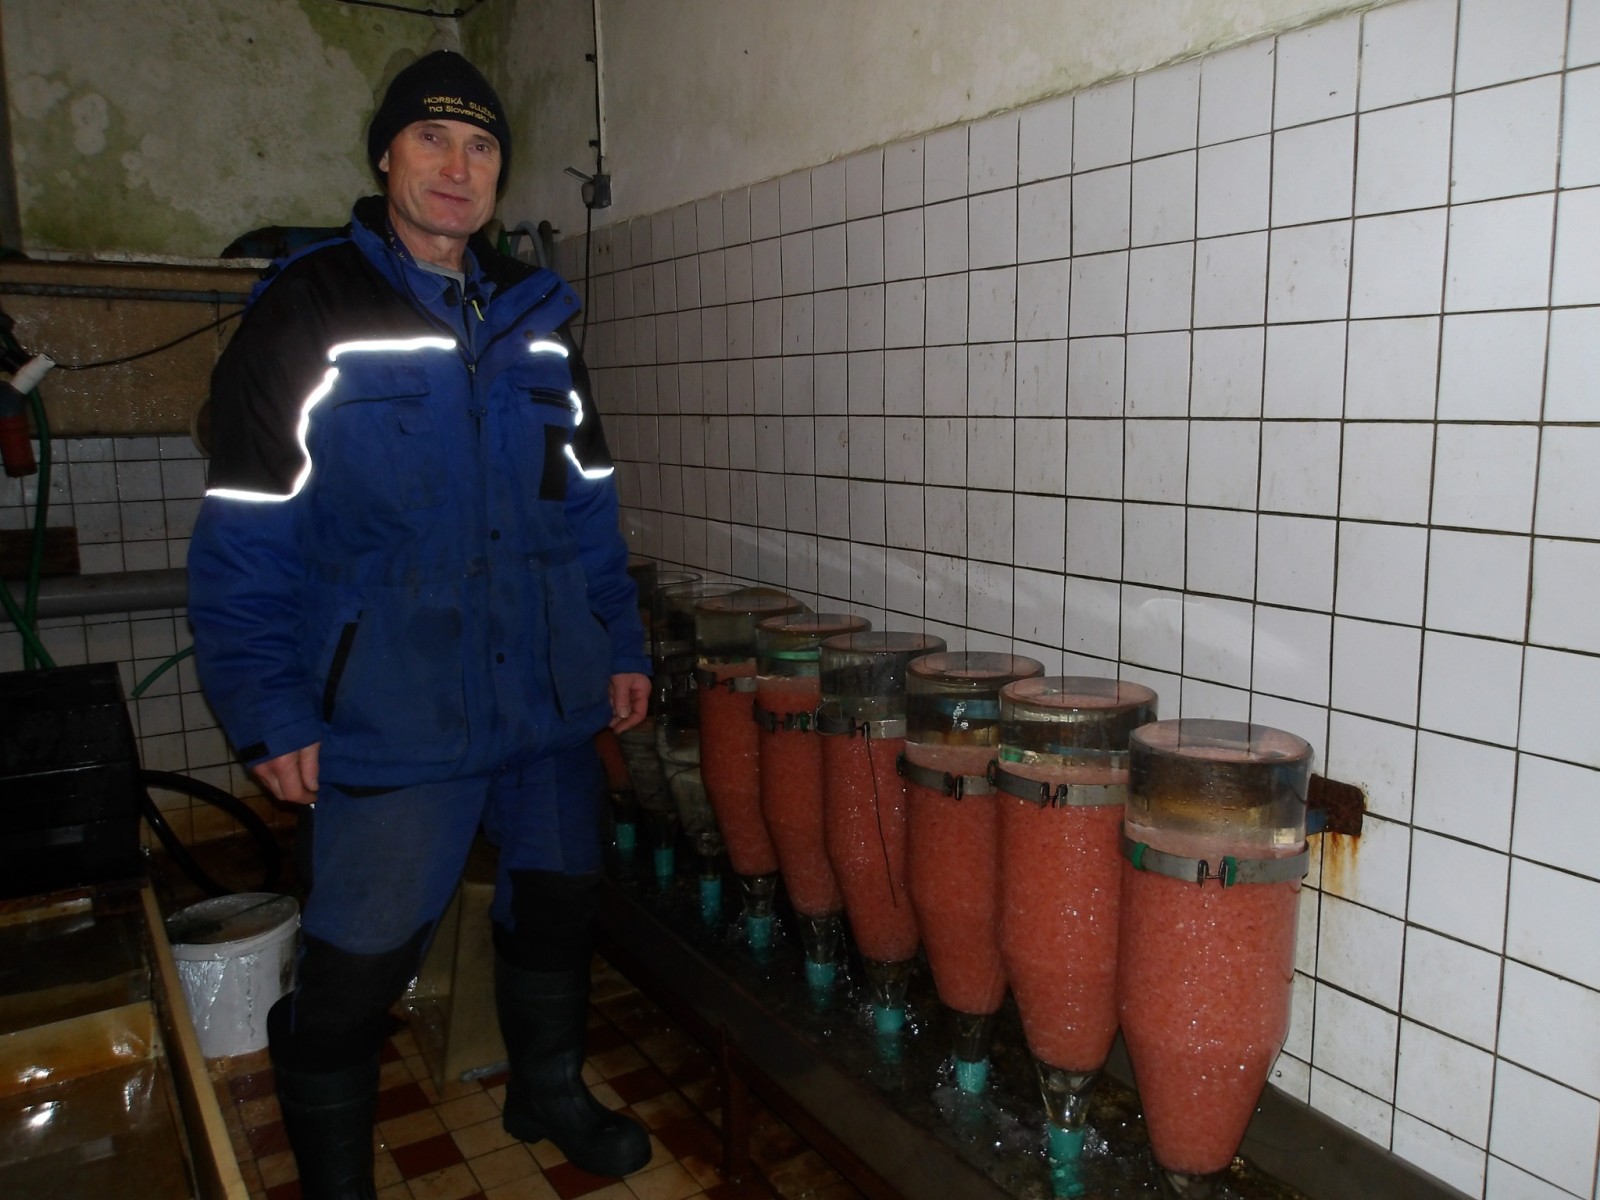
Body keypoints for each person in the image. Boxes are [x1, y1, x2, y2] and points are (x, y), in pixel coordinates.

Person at [187, 50, 652, 1198]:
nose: (457, 166)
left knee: (558, 910)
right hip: (393, 706)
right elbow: (245, 531)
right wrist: (266, 706)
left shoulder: (540, 319)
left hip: (544, 696)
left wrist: (620, 640)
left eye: (481, 144)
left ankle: (547, 1090)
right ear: (385, 155)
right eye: (432, 138)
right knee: (358, 962)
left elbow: (587, 505)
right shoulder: (308, 313)